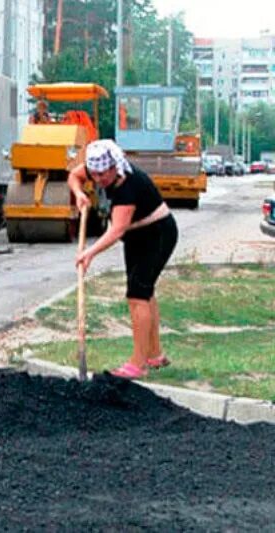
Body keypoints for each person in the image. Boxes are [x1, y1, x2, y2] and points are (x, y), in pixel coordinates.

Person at [67, 139, 178, 380]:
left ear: (113, 167)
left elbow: (116, 230)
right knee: (143, 294)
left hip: (157, 234)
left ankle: (138, 364)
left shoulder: (128, 185)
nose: (98, 180)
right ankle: (155, 354)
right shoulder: (95, 169)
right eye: (94, 175)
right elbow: (74, 177)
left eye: (103, 175)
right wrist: (78, 194)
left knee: (138, 294)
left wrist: (89, 253)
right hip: (136, 237)